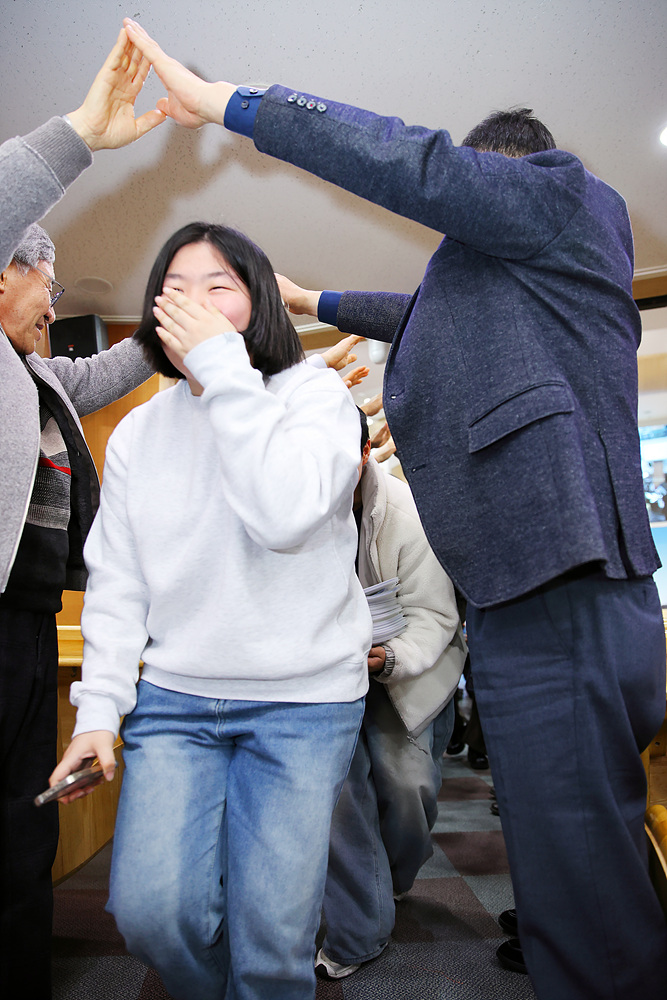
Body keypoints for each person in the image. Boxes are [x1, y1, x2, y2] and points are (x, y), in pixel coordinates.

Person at [120, 21, 667, 1000]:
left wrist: (229, 105)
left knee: (584, 891)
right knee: (568, 870)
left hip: (561, 589)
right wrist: (311, 297)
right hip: (539, 594)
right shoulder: (532, 279)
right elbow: (423, 314)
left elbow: (418, 166)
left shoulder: (557, 193)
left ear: (500, 175)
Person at [50, 221, 371, 1000]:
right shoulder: (139, 431)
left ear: (258, 301)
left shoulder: (314, 397)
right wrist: (98, 712)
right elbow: (118, 583)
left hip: (303, 705)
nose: (193, 302)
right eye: (175, 289)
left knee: (271, 943)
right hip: (176, 701)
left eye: (218, 286)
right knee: (150, 916)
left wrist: (226, 371)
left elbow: (283, 514)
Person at [0, 28, 165, 1000]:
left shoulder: (41, 379)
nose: (54, 303)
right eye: (45, 283)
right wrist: (76, 138)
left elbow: (106, 370)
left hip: (24, 623)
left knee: (24, 820)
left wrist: (171, 320)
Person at [314, 406, 466, 980]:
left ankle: (396, 878)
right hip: (327, 672)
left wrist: (388, 657)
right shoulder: (297, 501)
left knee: (407, 787)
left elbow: (436, 616)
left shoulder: (404, 512)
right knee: (338, 793)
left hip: (406, 664)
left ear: (364, 455)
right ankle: (362, 905)